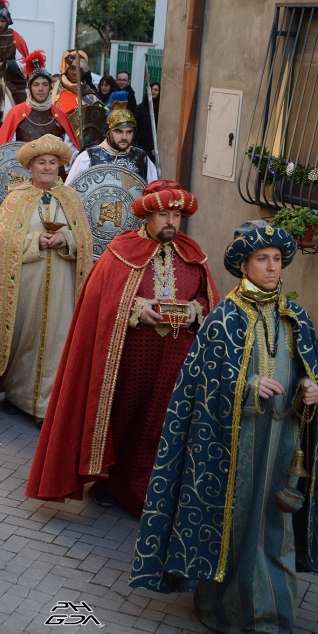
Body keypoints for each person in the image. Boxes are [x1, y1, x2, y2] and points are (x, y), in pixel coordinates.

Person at [129, 219, 318, 634]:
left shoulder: (295, 317)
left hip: (282, 443)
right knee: (233, 524)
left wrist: (309, 388)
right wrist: (248, 387)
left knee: (275, 523)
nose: (272, 267)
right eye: (261, 259)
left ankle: (272, 612)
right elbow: (204, 386)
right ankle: (225, 608)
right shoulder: (224, 319)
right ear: (244, 265)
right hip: (232, 446)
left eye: (276, 260)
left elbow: (308, 368)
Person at [26, 179, 219, 515]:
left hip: (177, 361)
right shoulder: (121, 249)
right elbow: (101, 301)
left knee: (162, 426)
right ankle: (113, 485)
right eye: (163, 215)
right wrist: (133, 308)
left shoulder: (192, 254)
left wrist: (195, 308)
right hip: (129, 360)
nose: (171, 222)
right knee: (124, 421)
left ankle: (150, 489)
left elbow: (205, 296)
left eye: (176, 215)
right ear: (148, 216)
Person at [0, 135, 94, 425]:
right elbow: (1, 244)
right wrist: (37, 241)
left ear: (61, 167)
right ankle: (16, 395)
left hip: (63, 287)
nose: (48, 168)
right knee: (23, 340)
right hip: (24, 286)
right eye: (42, 163)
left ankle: (45, 406)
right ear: (31, 167)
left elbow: (86, 240)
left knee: (56, 342)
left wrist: (66, 239)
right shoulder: (16, 199)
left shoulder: (71, 198)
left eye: (53, 163)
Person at [0, 50, 79, 180]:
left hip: (55, 180)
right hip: (23, 180)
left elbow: (71, 152)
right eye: (36, 85)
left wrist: (81, 156)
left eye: (45, 85)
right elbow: (5, 152)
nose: (40, 89)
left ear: (50, 88)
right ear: (30, 87)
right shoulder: (16, 113)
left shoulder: (59, 114)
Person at [66, 97, 158, 184]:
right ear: (108, 132)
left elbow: (154, 194)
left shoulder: (142, 158)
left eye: (129, 132)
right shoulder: (88, 157)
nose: (124, 137)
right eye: (119, 132)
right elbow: (70, 193)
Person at [51, 50, 98, 116]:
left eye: (79, 69)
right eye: (71, 68)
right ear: (65, 69)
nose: (75, 72)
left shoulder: (90, 97)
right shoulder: (50, 90)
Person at [135, 81, 160, 159]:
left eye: (156, 90)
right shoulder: (140, 108)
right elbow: (136, 127)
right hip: (142, 143)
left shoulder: (160, 109)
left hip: (153, 145)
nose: (153, 91)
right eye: (151, 89)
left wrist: (154, 146)